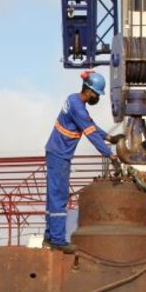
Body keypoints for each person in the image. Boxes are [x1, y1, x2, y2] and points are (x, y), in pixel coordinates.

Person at [44, 70, 123, 253]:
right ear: (88, 90)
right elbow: (91, 135)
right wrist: (110, 156)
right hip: (60, 155)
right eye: (97, 94)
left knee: (53, 197)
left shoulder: (74, 100)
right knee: (59, 197)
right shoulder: (78, 107)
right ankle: (57, 240)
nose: (98, 98)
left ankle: (49, 237)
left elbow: (91, 125)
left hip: (56, 153)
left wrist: (110, 138)